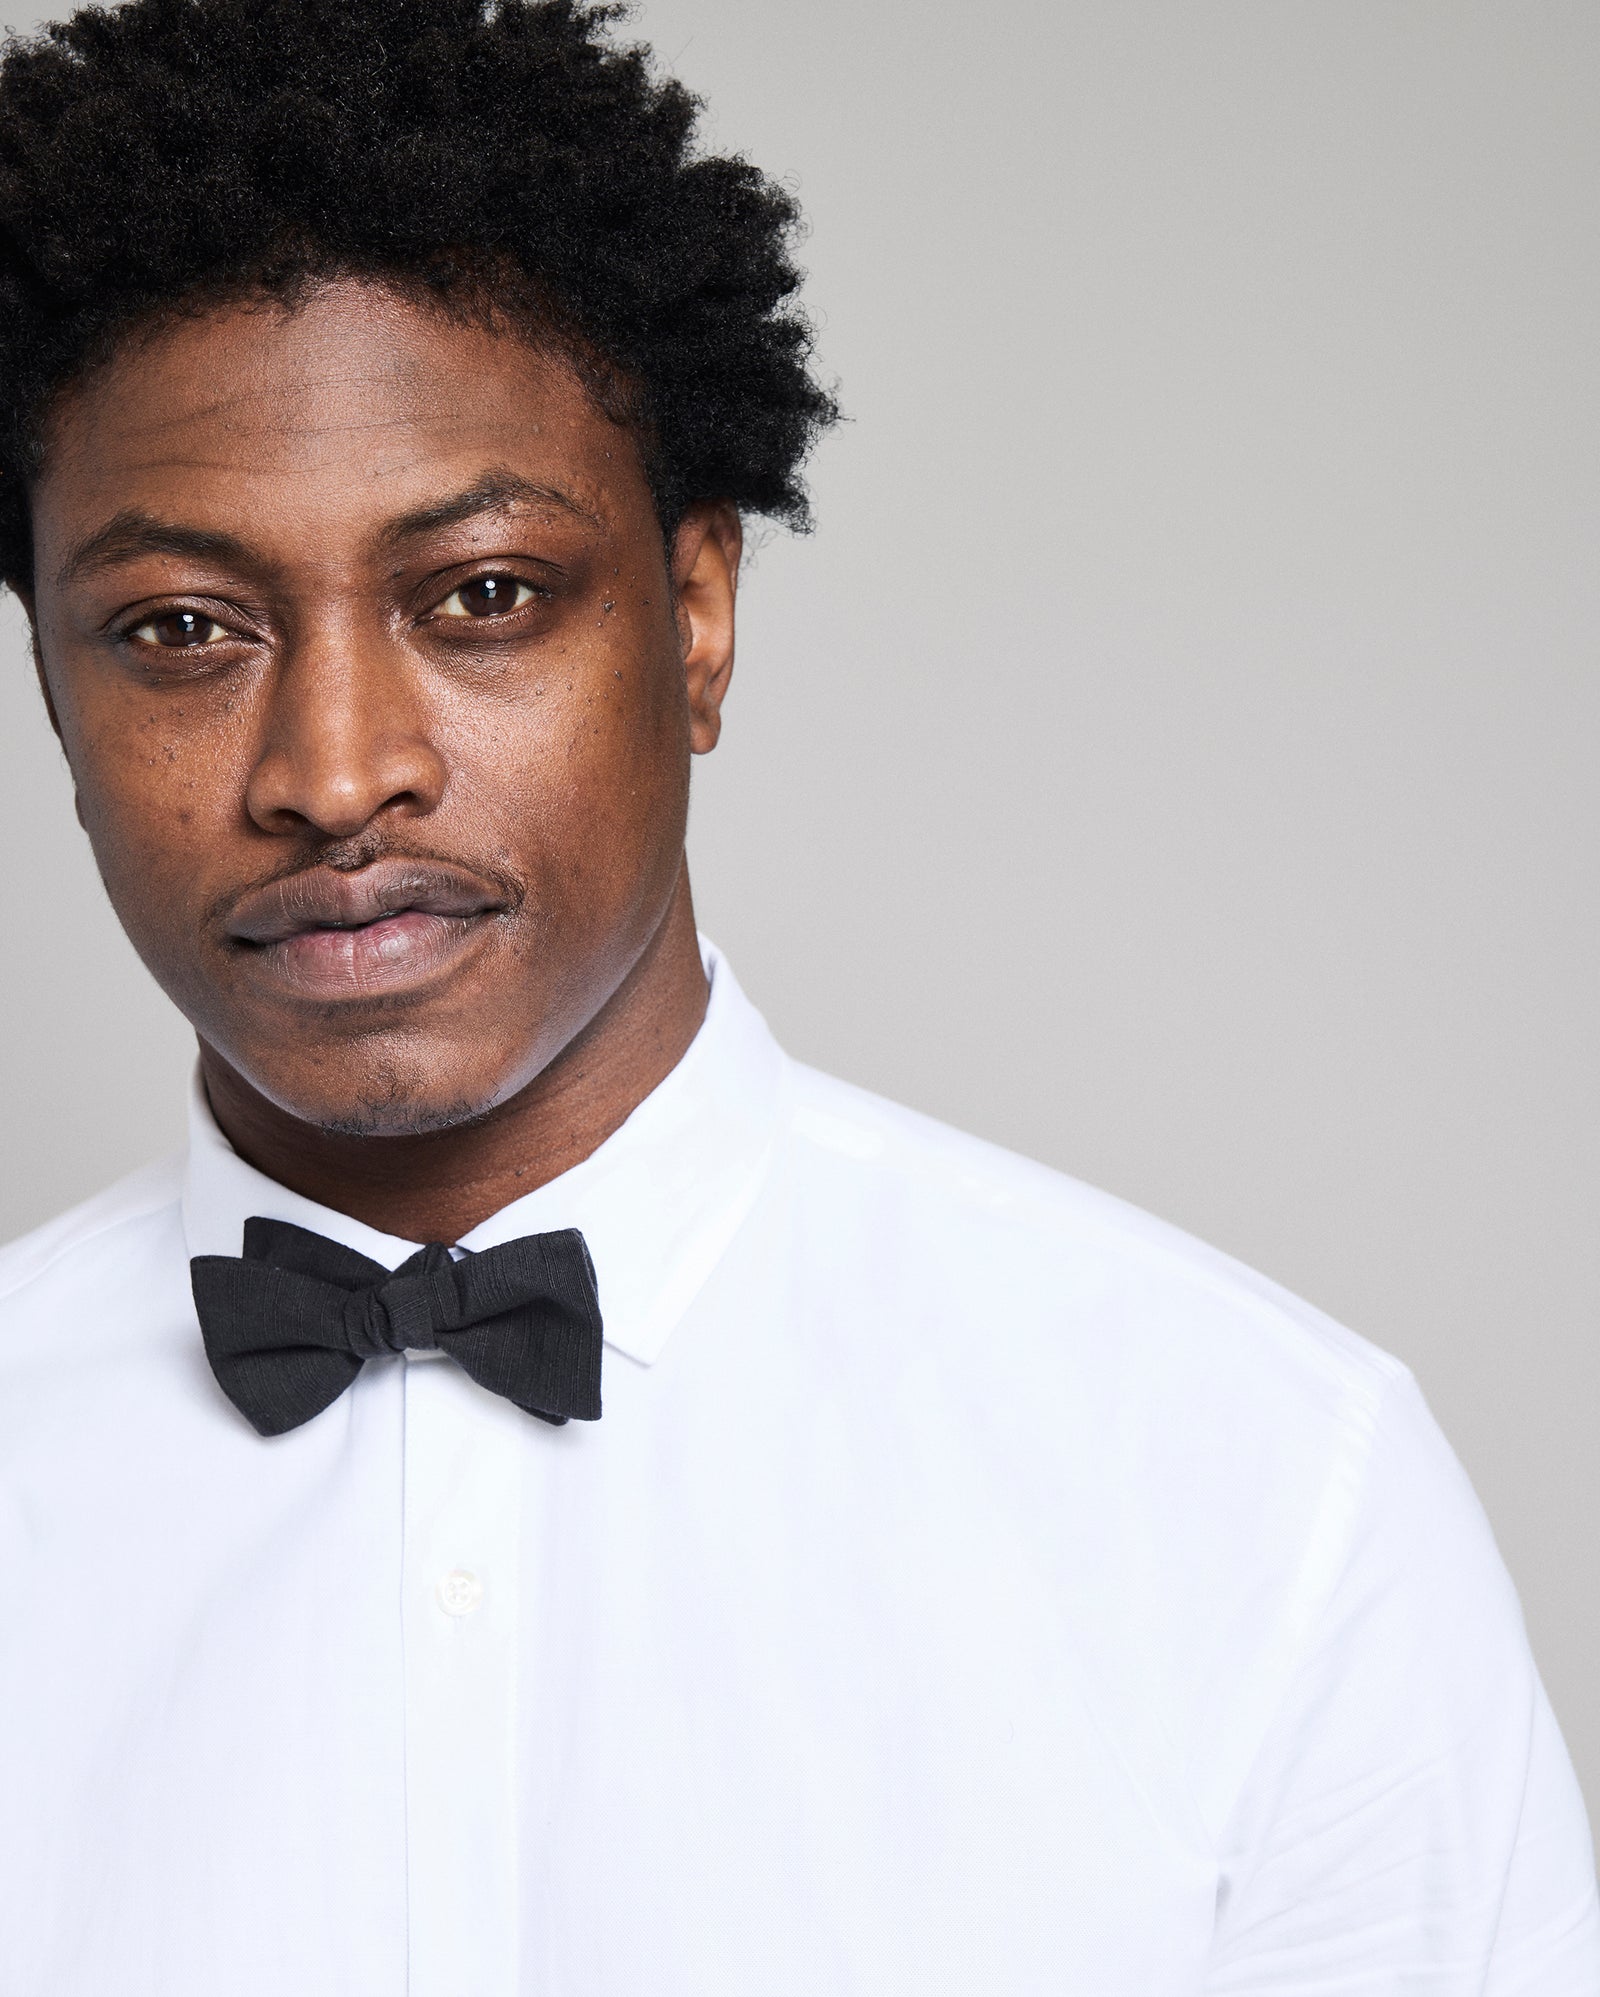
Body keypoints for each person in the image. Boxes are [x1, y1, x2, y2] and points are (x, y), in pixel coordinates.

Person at [0, 0, 1592, 1989]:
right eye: (181, 627)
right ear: (53, 693)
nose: (335, 770)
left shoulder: (1258, 1491)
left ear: (696, 618)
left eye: (482, 595)